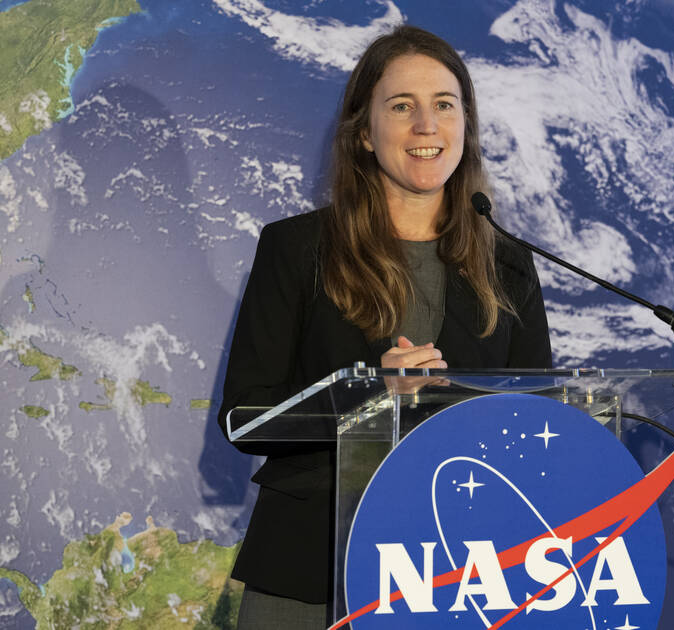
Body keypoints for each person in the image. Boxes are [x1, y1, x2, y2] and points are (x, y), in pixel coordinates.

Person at [217, 24, 552, 628]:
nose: (427, 126)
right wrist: (368, 397)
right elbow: (244, 417)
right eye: (402, 107)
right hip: (311, 570)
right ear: (364, 134)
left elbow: (539, 418)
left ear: (464, 128)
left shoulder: (509, 262)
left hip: (459, 571)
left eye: (444, 106)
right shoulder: (297, 248)